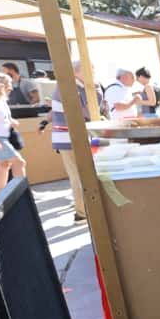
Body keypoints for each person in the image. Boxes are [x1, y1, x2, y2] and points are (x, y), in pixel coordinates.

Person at [46, 60, 90, 222]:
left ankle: (82, 209)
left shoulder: (69, 86)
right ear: (79, 71)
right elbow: (87, 111)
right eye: (90, 69)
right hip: (71, 137)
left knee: (78, 175)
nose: (93, 73)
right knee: (79, 176)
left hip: (69, 137)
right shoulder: (71, 87)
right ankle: (82, 212)